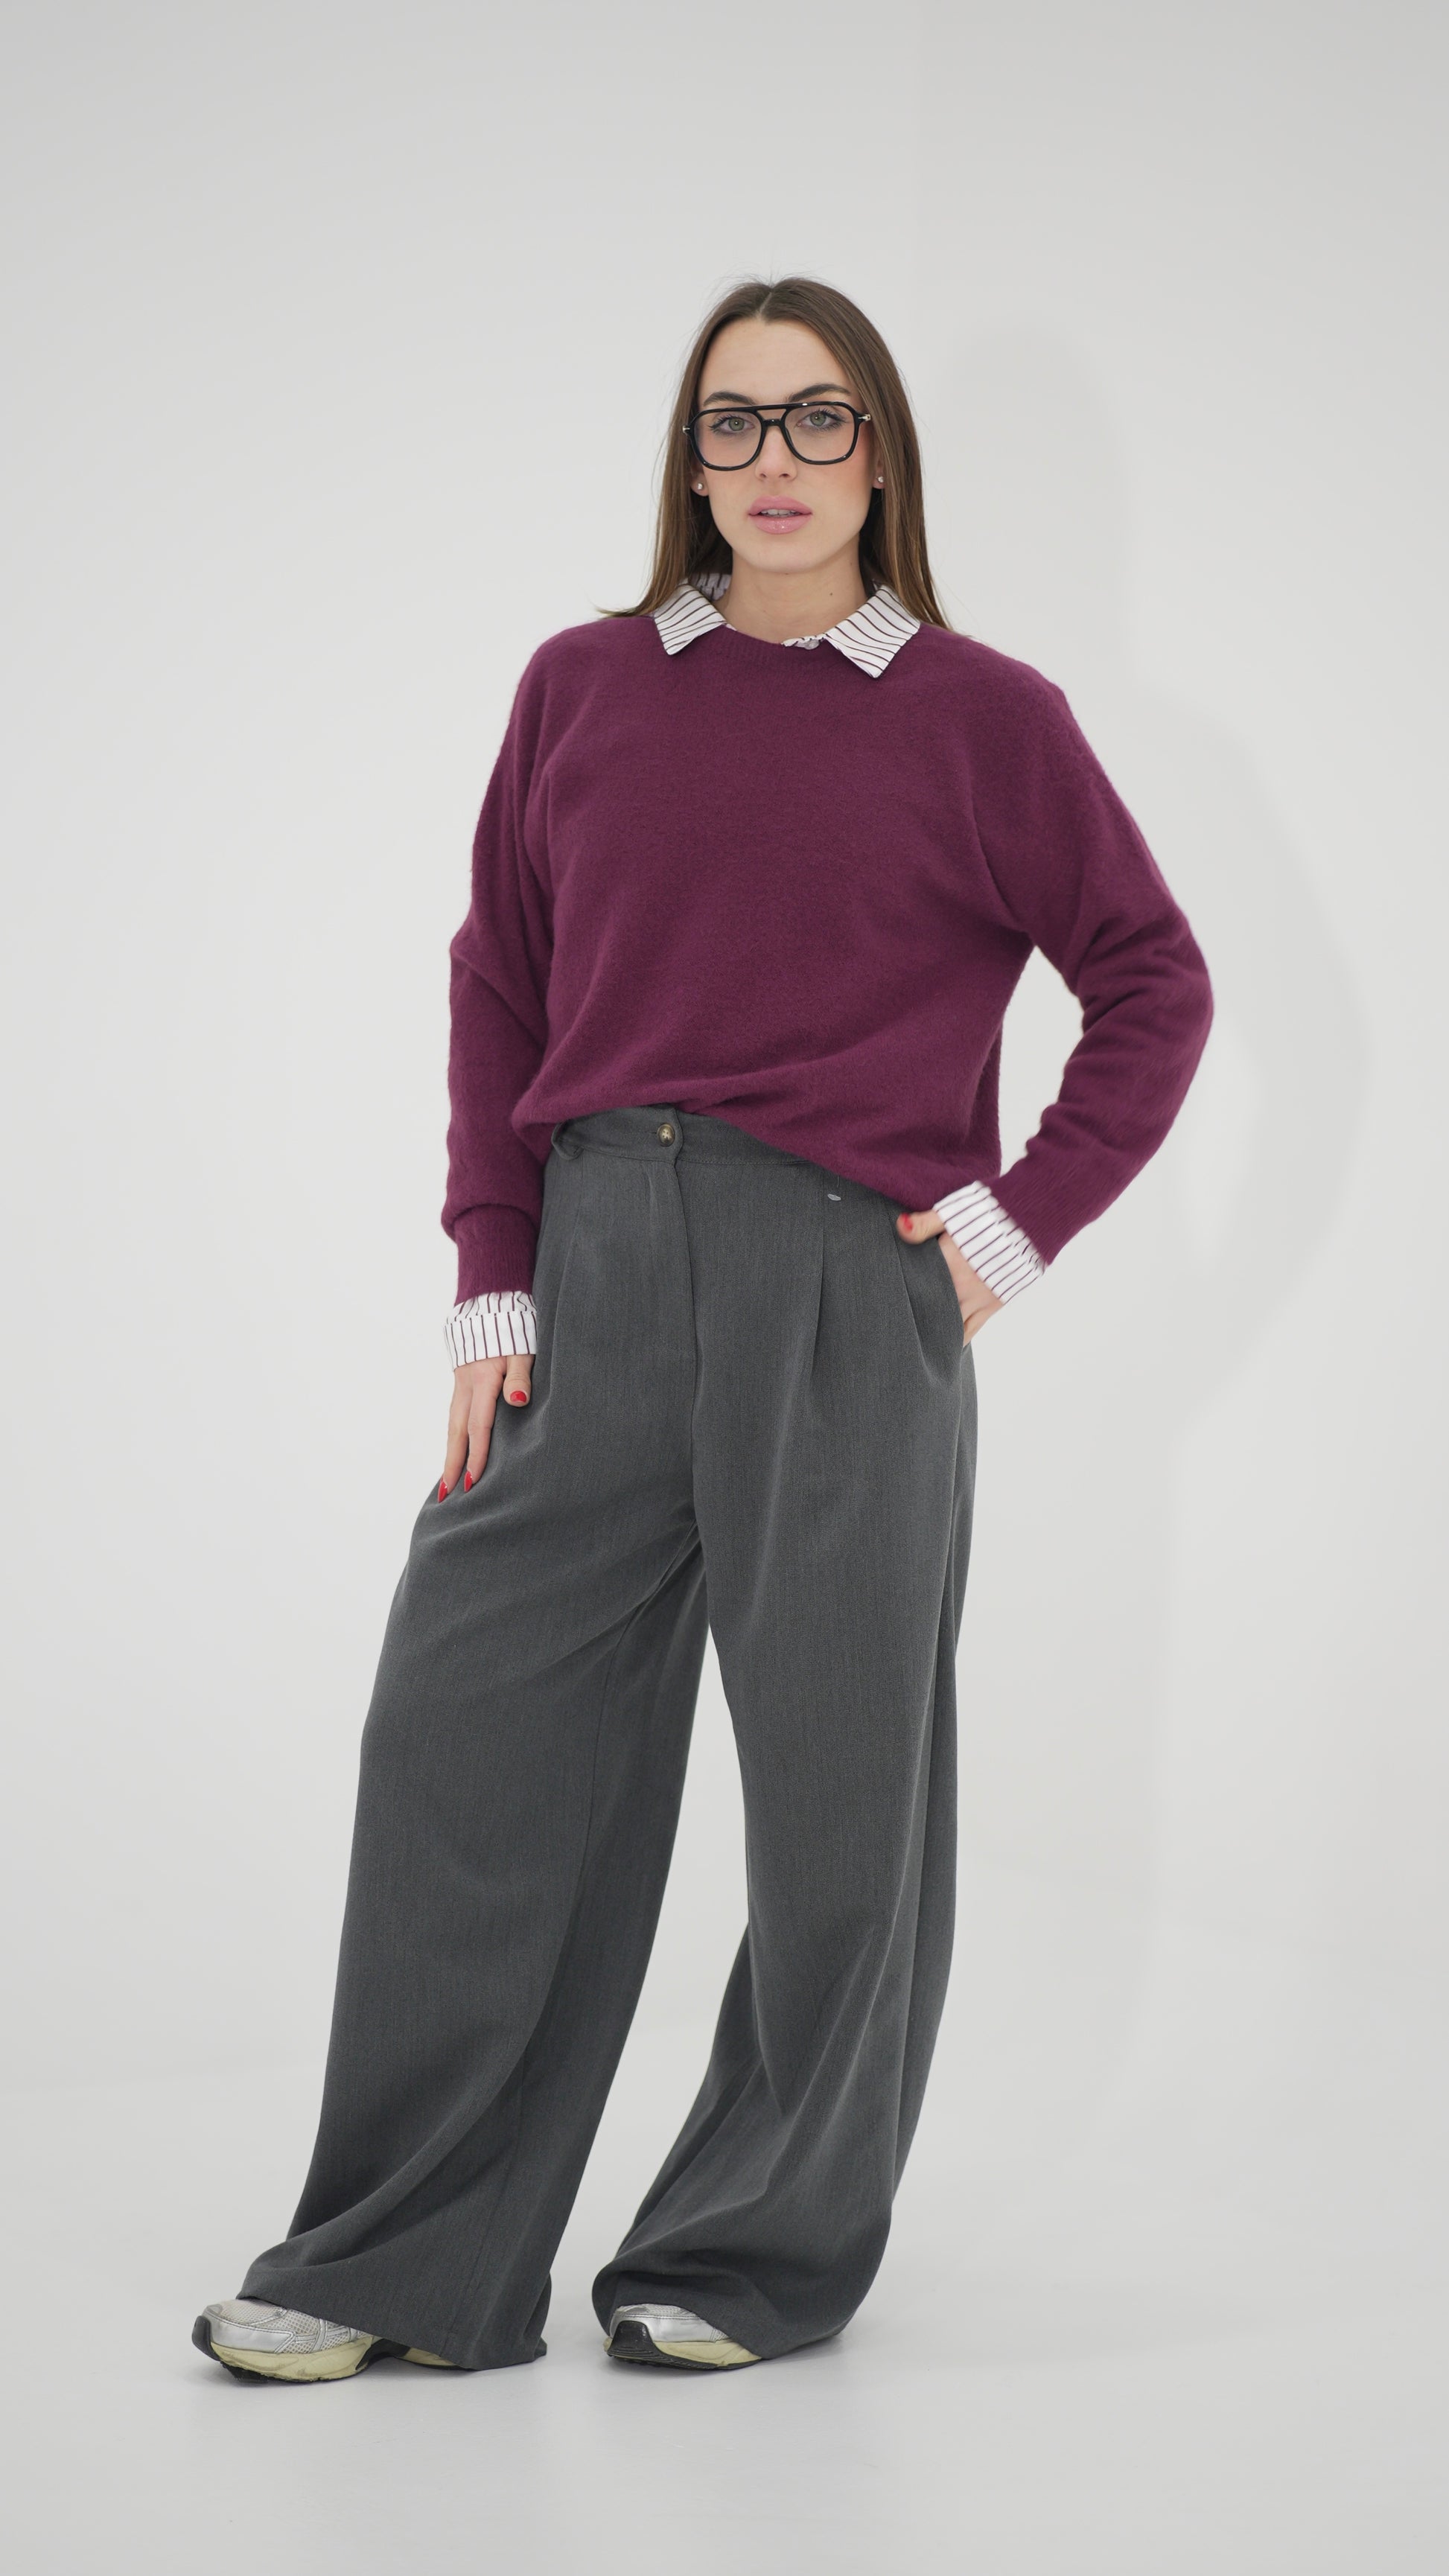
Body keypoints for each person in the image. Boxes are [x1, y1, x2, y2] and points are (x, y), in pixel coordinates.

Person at [194, 274, 1213, 2384]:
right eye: (732, 423)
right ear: (688, 456)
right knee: (465, 1741)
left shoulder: (982, 712)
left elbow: (1150, 977)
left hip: (844, 1277)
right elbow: (500, 982)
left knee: (841, 1793)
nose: (773, 461)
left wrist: (1005, 1232)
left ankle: (746, 2252)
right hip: (592, 1263)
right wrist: (492, 1274)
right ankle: (398, 2259)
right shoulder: (583, 684)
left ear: (880, 453)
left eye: (817, 418)